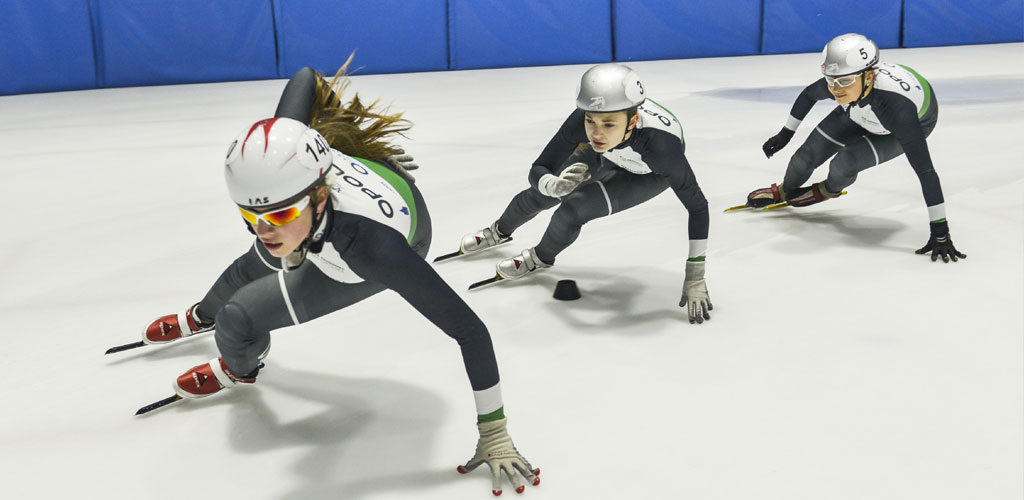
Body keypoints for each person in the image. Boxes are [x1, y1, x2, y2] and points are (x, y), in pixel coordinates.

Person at [139, 64, 540, 495]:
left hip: (396, 237)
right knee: (248, 265)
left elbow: (470, 331)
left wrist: (493, 431)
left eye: (277, 215)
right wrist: (355, 158)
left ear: (320, 195)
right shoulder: (287, 159)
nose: (264, 229)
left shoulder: (369, 250)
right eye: (249, 215)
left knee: (238, 319)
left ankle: (241, 370)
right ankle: (202, 316)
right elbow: (306, 77)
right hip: (371, 188)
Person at [451, 63, 713, 324]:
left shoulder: (662, 148)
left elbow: (698, 207)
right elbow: (539, 169)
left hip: (646, 174)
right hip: (608, 154)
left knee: (572, 211)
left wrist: (695, 274)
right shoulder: (587, 122)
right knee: (544, 195)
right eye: (590, 121)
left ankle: (539, 258)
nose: (597, 133)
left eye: (608, 124)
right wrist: (551, 184)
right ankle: (498, 231)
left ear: (633, 120)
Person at [749, 33, 966, 263]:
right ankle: (785, 190)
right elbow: (808, 95)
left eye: (843, 81)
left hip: (902, 123)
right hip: (860, 107)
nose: (835, 89)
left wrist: (940, 232)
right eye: (831, 80)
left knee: (845, 163)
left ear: (870, 76)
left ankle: (826, 190)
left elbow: (926, 172)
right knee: (805, 156)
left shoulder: (897, 109)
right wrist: (786, 133)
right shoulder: (847, 81)